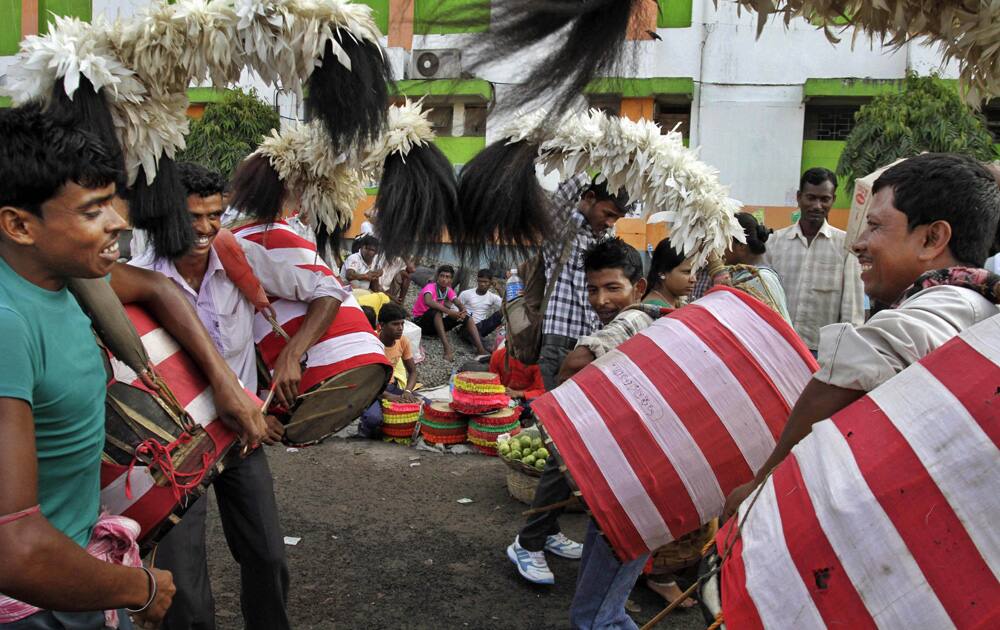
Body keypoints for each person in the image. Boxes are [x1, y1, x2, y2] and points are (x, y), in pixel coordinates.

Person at [0, 106, 268, 628]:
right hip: (34, 609)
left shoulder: (70, 277)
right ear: (18, 224)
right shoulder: (7, 324)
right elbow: (14, 548)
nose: (119, 222)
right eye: (93, 209)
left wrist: (224, 382)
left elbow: (156, 286)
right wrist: (138, 587)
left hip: (77, 576)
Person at [132, 162, 350, 630]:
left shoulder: (241, 258)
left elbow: (328, 290)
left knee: (269, 557)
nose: (206, 228)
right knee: (184, 585)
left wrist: (294, 351)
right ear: (166, 215)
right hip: (178, 447)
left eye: (215, 215)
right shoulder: (139, 278)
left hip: (242, 437)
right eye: (193, 216)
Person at [724, 152, 1000, 520]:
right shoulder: (970, 299)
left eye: (875, 226)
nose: (859, 243)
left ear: (933, 238)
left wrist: (762, 482)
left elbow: (861, 362)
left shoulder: (953, 303)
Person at [507, 238, 645, 590]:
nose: (600, 300)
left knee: (567, 456)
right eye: (593, 289)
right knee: (564, 453)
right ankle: (529, 542)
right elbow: (577, 363)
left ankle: (547, 531)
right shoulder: (632, 315)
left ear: (638, 287)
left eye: (612, 288)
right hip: (570, 364)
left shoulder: (634, 315)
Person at [539, 175, 631, 391]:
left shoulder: (604, 240)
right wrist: (601, 154)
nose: (610, 222)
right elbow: (562, 197)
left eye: (615, 218)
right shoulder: (562, 229)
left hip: (593, 342)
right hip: (561, 341)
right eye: (607, 214)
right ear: (589, 198)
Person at [764, 167, 864, 353]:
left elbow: (852, 308)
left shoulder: (846, 246)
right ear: (799, 197)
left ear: (833, 200)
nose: (817, 205)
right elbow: (764, 299)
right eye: (811, 198)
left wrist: (847, 353)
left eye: (824, 199)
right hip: (778, 346)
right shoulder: (775, 243)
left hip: (823, 352)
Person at [359, 303, 421, 438]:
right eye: (395, 324)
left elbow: (413, 372)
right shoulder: (371, 342)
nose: (400, 328)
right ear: (382, 325)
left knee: (427, 406)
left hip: (390, 386)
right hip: (370, 390)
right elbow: (364, 381)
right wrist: (389, 397)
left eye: (402, 324)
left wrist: (407, 391)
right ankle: (363, 427)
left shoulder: (403, 341)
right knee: (373, 419)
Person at [721, 212, 791, 321]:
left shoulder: (759, 279)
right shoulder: (738, 275)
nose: (718, 249)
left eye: (722, 242)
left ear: (741, 246)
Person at [411, 264, 489, 361]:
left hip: (434, 326)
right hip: (420, 323)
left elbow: (458, 303)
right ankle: (447, 349)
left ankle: (480, 349)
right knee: (437, 311)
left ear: (451, 280)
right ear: (438, 277)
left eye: (447, 277)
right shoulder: (430, 287)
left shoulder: (448, 290)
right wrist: (450, 312)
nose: (444, 279)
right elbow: (429, 301)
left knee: (466, 317)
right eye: (442, 276)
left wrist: (463, 310)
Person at [641, 239, 696, 308]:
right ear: (662, 273)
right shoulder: (655, 308)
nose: (694, 279)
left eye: (695, 272)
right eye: (687, 272)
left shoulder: (673, 303)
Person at [458, 268, 503, 346]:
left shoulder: (492, 297)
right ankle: (486, 347)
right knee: (485, 344)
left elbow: (508, 305)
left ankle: (481, 342)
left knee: (502, 313)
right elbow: (454, 310)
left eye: (485, 282)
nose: (482, 284)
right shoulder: (466, 294)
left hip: (482, 326)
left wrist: (498, 289)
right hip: (466, 327)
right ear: (477, 280)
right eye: (480, 281)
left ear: (490, 283)